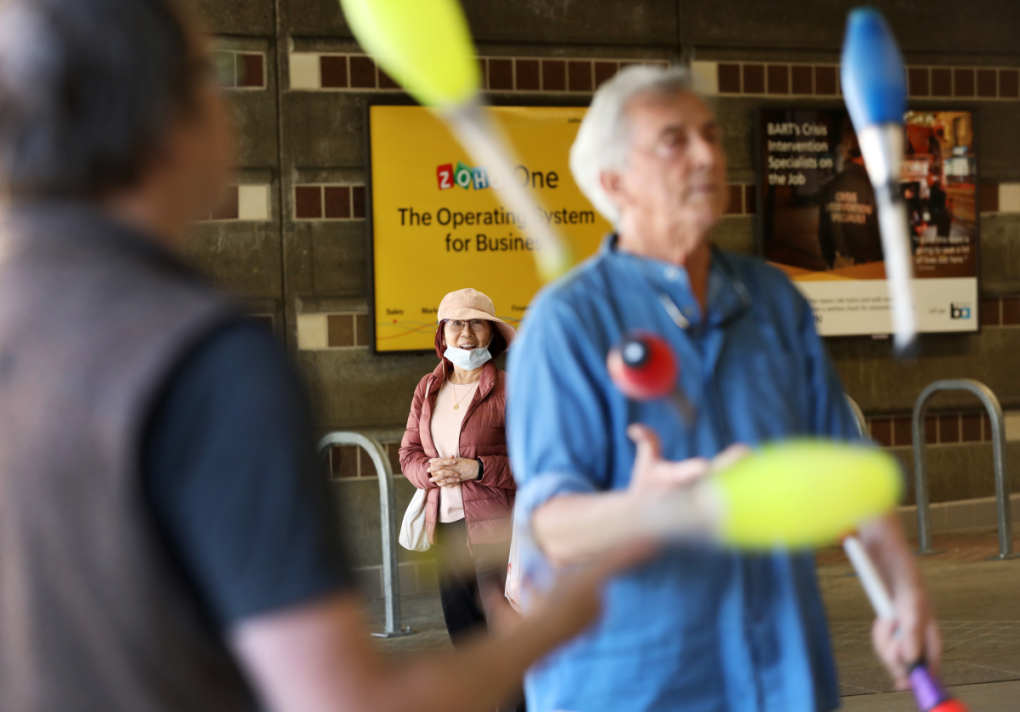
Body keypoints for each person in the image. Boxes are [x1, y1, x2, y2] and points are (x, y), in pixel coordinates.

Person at [0, 2, 637, 712]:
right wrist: (553, 625)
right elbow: (340, 700)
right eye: (214, 75)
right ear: (165, 117)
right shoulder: (205, 361)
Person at [507, 64, 941, 712]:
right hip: (633, 685)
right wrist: (655, 510)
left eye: (712, 135)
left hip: (782, 679)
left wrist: (903, 585)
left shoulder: (772, 302)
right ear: (614, 182)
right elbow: (550, 528)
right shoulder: (566, 322)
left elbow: (847, 470)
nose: (709, 154)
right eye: (674, 140)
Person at [400, 288, 521, 710]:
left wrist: (480, 469)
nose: (465, 333)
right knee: (465, 638)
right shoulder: (428, 388)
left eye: (475, 322)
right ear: (442, 333)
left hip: (497, 532)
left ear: (491, 333)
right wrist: (427, 473)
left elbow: (535, 463)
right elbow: (408, 453)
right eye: (456, 323)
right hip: (446, 532)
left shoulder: (510, 389)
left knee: (504, 641)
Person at [817, 120, 883, 269]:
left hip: (840, 266)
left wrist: (832, 261)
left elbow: (823, 235)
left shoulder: (830, 187)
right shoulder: (876, 189)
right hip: (871, 269)